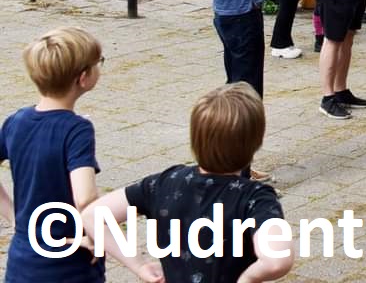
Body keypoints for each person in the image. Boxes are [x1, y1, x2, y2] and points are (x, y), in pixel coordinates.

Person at [82, 83, 292, 282]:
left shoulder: (164, 183)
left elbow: (92, 215)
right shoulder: (255, 198)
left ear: (195, 137)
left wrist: (139, 265)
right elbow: (276, 260)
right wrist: (248, 278)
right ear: (256, 141)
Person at [0, 27, 106, 282]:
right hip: (68, 263)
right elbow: (86, 197)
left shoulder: (16, 121)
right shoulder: (76, 129)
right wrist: (96, 235)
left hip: (23, 260)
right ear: (83, 78)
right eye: (98, 63)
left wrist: (13, 215)